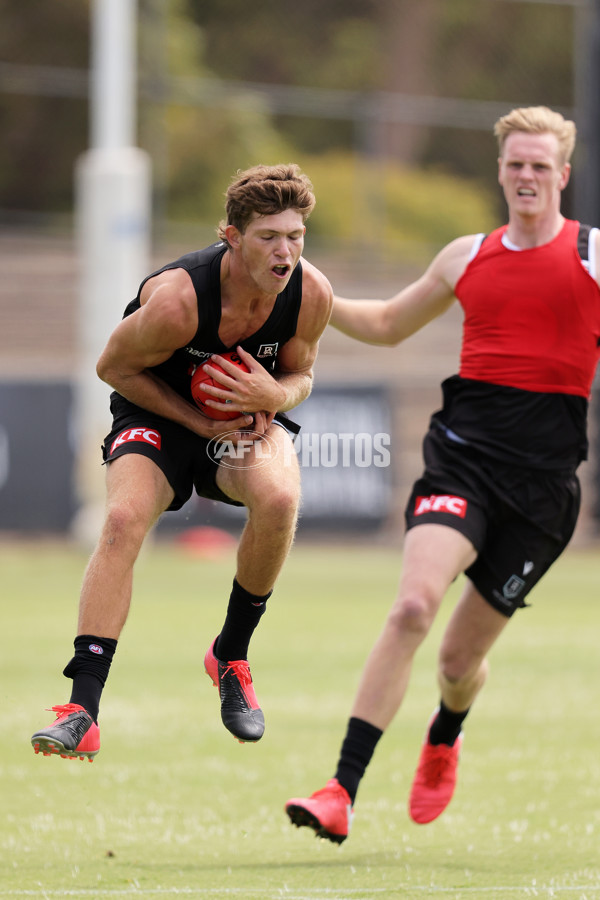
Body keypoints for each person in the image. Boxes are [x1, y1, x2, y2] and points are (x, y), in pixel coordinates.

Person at [285, 106, 600, 843]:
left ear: (563, 174)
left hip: (544, 494)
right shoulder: (466, 257)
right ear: (500, 170)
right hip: (463, 461)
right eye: (515, 163)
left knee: (460, 661)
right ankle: (341, 789)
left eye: (539, 165)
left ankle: (446, 729)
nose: (526, 176)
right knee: (412, 609)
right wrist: (306, 290)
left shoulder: (592, 256)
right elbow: (390, 324)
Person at [31, 163, 333, 760]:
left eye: (295, 236)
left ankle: (231, 656)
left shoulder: (310, 293)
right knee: (121, 521)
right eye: (269, 237)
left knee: (279, 498)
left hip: (244, 421)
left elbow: (301, 375)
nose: (285, 251)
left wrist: (274, 395)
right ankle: (81, 711)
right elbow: (112, 369)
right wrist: (197, 422)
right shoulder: (177, 302)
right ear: (232, 236)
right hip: (158, 415)